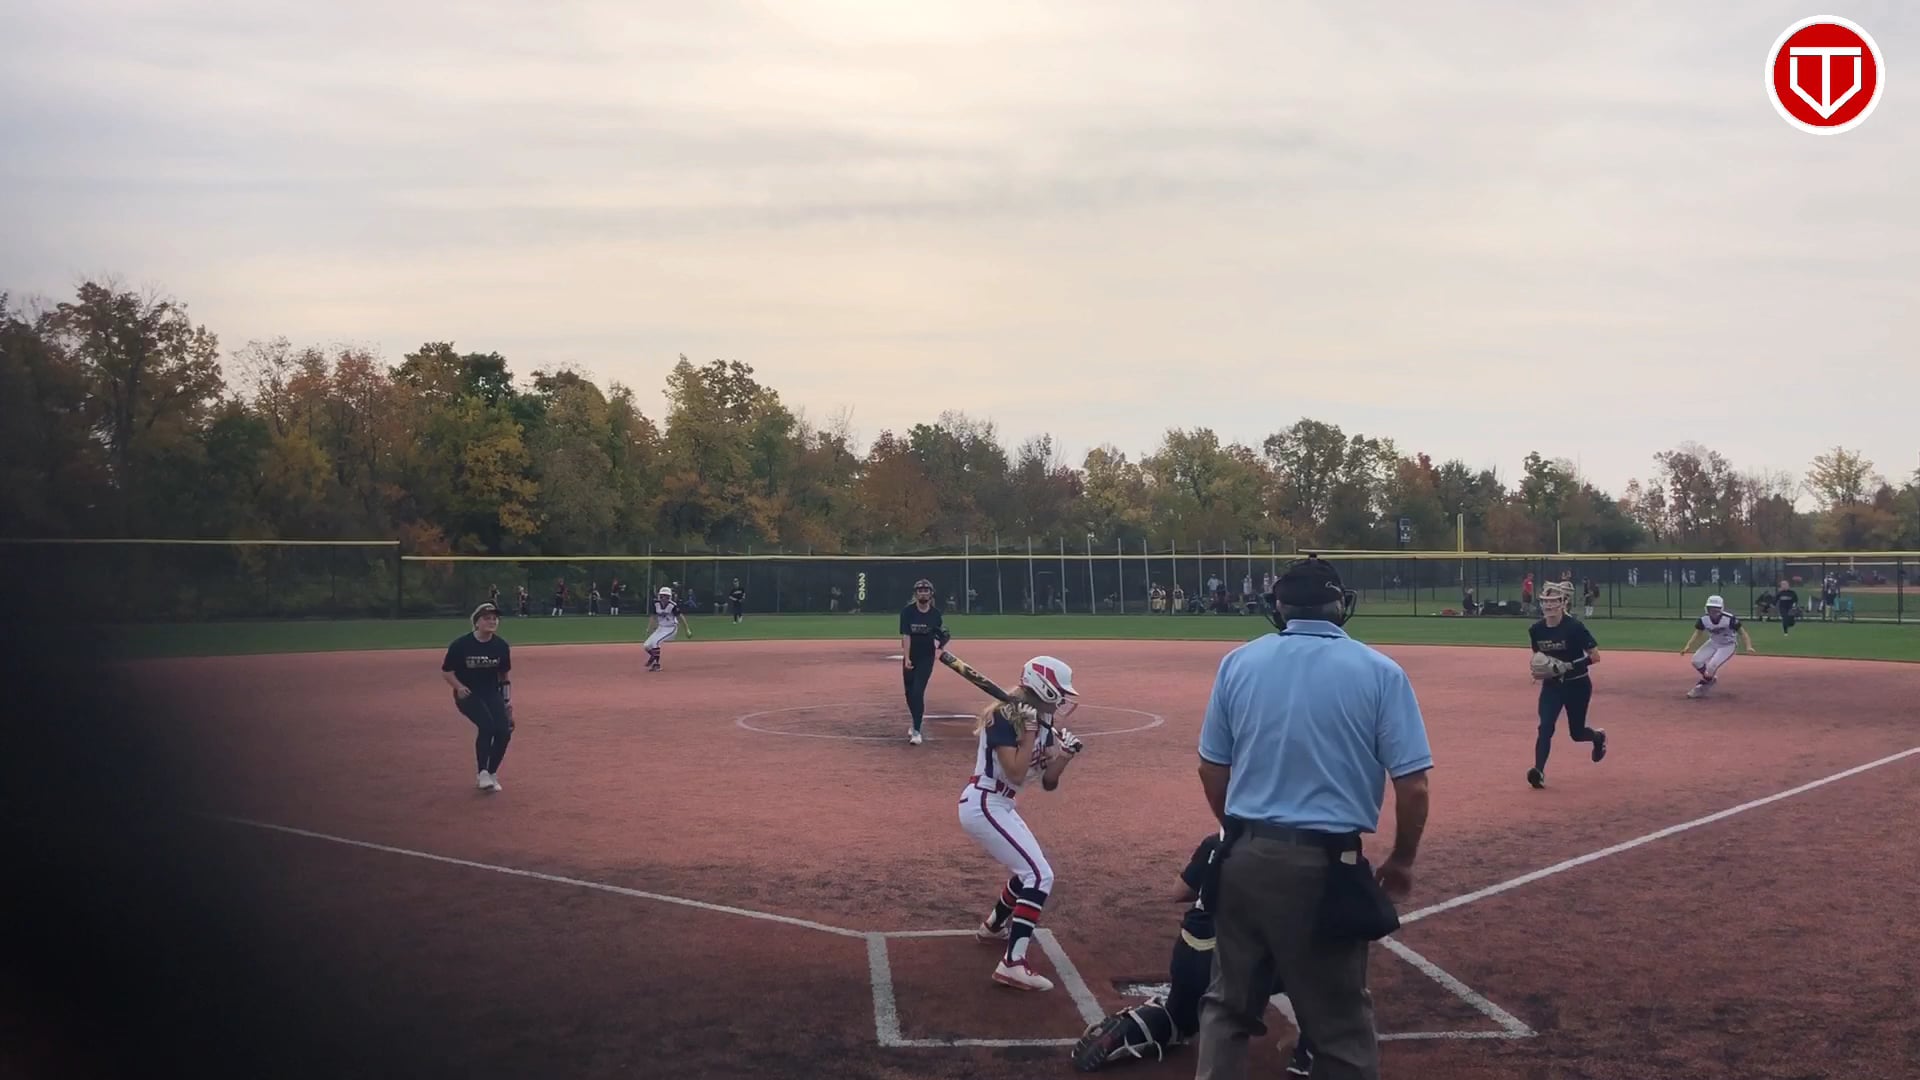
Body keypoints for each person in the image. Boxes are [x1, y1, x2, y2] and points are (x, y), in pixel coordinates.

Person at [1191, 556, 1433, 1080]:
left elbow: (1212, 768)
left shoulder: (1238, 662)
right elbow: (1413, 786)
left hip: (1242, 860)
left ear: (1277, 607)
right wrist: (1402, 859)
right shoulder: (1380, 671)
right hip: (1324, 869)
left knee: (1227, 1008)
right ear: (1340, 606)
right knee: (1340, 1028)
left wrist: (1239, 830)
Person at [1069, 832, 1317, 1076]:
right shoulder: (1297, 852)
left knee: (1179, 1019)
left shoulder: (1220, 839)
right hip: (1232, 960)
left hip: (1188, 953)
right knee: (1322, 967)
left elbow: (1178, 892)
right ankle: (1310, 1051)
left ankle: (1133, 1027)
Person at [957, 656, 1084, 991]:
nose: (1063, 699)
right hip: (984, 802)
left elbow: (1048, 782)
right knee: (1040, 875)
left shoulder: (1041, 722)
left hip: (1002, 804)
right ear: (1044, 689)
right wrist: (1027, 733)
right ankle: (1012, 963)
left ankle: (992, 927)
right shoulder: (1004, 716)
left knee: (1028, 870)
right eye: (1059, 692)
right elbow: (1014, 772)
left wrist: (1065, 755)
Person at [1527, 580, 1606, 789]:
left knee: (1577, 734)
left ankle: (1598, 737)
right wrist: (1539, 669)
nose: (1549, 606)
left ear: (1563, 603)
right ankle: (1538, 771)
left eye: (1554, 601)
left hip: (1577, 685)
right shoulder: (1536, 630)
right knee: (1545, 727)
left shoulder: (1574, 627)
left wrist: (1568, 666)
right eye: (1545, 602)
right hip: (1552, 687)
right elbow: (1539, 656)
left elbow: (1595, 656)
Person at [441, 602, 514, 792]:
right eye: (487, 618)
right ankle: (482, 773)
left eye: (495, 618)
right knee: (487, 726)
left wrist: (507, 701)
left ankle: (492, 773)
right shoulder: (461, 645)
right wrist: (458, 687)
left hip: (491, 693)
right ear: (476, 622)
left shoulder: (500, 646)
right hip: (468, 694)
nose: (492, 622)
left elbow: (504, 676)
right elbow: (447, 671)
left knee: (504, 731)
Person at [1680, 595, 1757, 698]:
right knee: (1696, 661)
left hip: (1728, 645)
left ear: (1721, 609)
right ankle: (1710, 678)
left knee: (1712, 666)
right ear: (1707, 608)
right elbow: (1697, 633)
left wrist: (1748, 646)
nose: (1713, 611)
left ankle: (1701, 687)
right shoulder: (1704, 619)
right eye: (1711, 608)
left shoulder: (1729, 619)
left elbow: (1743, 633)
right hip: (1713, 642)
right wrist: (1688, 646)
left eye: (1716, 609)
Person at [900, 579, 947, 745]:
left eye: (926, 590)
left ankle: (917, 730)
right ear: (915, 594)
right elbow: (906, 635)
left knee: (918, 692)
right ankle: (915, 720)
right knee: (909, 693)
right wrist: (907, 658)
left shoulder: (935, 614)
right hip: (911, 655)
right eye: (920, 591)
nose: (923, 593)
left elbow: (939, 635)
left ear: (931, 593)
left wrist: (941, 645)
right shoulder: (907, 612)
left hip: (926, 657)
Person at [643, 586, 690, 672]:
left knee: (656, 643)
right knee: (646, 646)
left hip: (671, 628)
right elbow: (653, 616)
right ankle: (653, 656)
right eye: (662, 596)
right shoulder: (656, 604)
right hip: (661, 627)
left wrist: (687, 629)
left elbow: (680, 617)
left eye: (666, 596)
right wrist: (649, 628)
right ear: (659, 596)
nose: (664, 598)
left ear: (669, 597)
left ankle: (657, 665)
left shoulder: (672, 606)